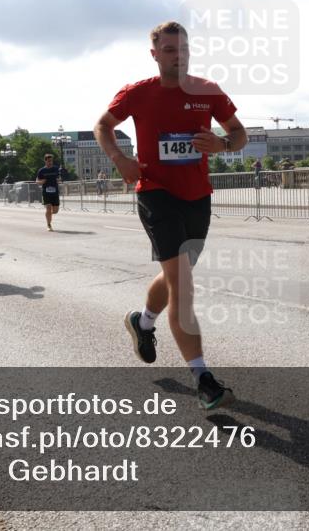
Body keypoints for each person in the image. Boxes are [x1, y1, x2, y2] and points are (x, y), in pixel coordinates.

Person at [94, 20, 246, 411]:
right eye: (169, 51)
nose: (178, 57)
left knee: (178, 273)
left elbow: (239, 132)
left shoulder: (208, 91)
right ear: (155, 54)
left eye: (183, 49)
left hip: (197, 197)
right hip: (155, 193)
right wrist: (120, 160)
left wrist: (223, 143)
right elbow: (104, 125)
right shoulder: (138, 93)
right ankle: (204, 379)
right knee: (183, 285)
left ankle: (142, 322)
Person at [36, 153, 66, 231]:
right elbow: (37, 181)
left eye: (51, 161)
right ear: (45, 161)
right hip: (46, 192)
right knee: (48, 208)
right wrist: (41, 181)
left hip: (55, 192)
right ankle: (49, 225)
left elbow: (60, 178)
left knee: (55, 211)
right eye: (49, 161)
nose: (50, 162)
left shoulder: (56, 169)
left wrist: (59, 180)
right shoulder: (42, 170)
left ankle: (48, 214)